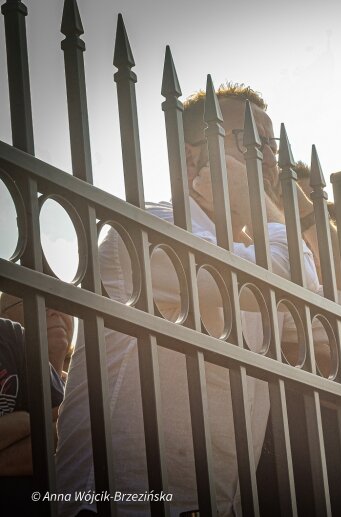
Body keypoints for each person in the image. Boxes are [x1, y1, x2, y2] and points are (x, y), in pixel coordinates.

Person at [54, 83, 316, 516]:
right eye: (248, 141)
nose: (267, 158)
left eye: (270, 146)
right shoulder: (145, 227)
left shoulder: (258, 246)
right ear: (193, 157)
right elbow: (288, 284)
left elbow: (317, 322)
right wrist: (264, 207)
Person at [0, 293, 73, 514]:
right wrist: (48, 420)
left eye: (60, 303)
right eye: (39, 301)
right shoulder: (7, 338)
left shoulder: (86, 382)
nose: (54, 311)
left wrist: (21, 423)